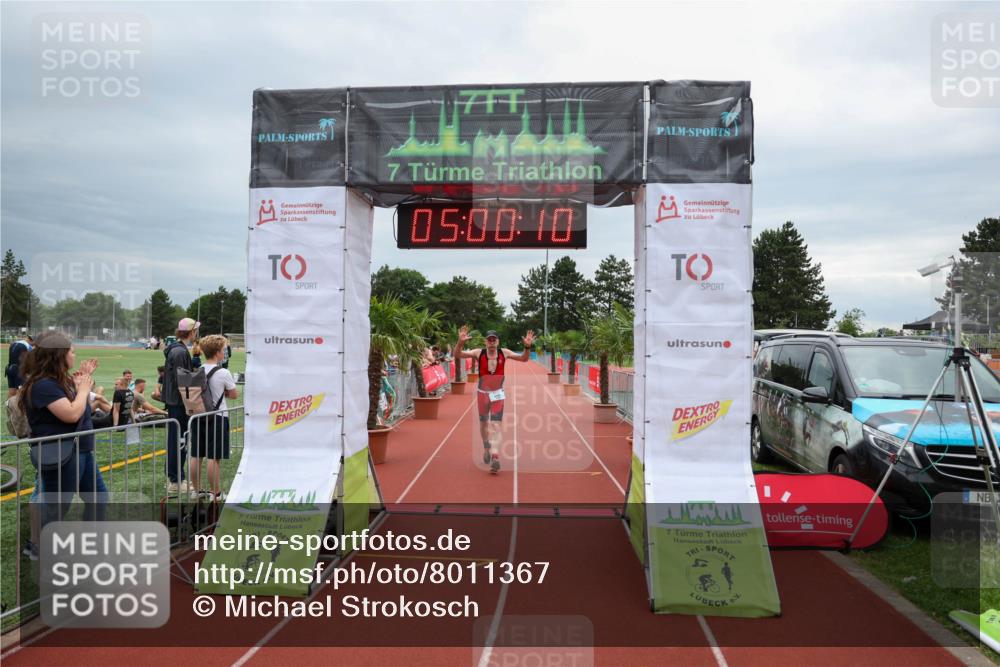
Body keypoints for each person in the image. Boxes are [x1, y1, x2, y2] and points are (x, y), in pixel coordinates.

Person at [19, 332, 107, 535]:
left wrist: (81, 384)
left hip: (80, 450)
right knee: (55, 509)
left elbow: (82, 410)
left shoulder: (59, 381)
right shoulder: (43, 385)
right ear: (59, 356)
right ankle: (38, 549)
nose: (75, 356)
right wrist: (84, 389)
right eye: (72, 352)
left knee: (98, 498)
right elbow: (72, 415)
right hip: (61, 454)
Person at [453, 326, 535, 474]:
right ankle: (486, 448)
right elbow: (457, 354)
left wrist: (527, 347)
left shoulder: (505, 352)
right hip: (482, 394)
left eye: (494, 339)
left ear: (498, 341)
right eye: (489, 339)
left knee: (496, 425)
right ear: (486, 342)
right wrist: (460, 342)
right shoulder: (479, 353)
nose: (491, 342)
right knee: (484, 424)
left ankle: (495, 457)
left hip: (498, 395)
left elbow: (524, 358)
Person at [189, 335, 238, 500]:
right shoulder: (223, 372)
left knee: (196, 455)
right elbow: (233, 394)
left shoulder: (198, 370)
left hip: (198, 416)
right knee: (214, 457)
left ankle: (197, 490)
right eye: (223, 349)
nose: (225, 352)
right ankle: (215, 493)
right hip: (217, 416)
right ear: (217, 352)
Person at [163, 317, 199, 494]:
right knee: (179, 440)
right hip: (179, 402)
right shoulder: (179, 352)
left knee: (177, 439)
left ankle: (173, 477)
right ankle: (176, 480)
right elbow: (183, 380)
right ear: (191, 332)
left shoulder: (179, 350)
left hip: (176, 401)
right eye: (195, 331)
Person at [6, 333, 32, 398]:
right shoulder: (28, 346)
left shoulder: (14, 343)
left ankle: (9, 407)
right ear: (30, 340)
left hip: (9, 369)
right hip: (19, 371)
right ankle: (17, 407)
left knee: (11, 391)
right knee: (20, 392)